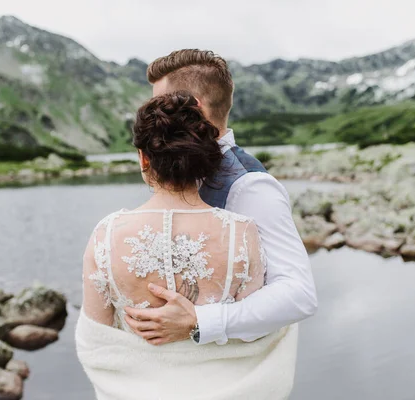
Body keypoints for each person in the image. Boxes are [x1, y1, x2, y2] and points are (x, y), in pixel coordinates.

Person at [76, 91, 299, 399]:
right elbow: (257, 333)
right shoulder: (240, 232)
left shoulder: (106, 234)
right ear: (204, 156)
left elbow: (96, 340)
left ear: (143, 157)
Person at [122, 49, 317, 346]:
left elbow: (299, 294)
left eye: (159, 101)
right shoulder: (174, 172)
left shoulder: (249, 185)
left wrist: (199, 322)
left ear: (194, 108)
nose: (153, 110)